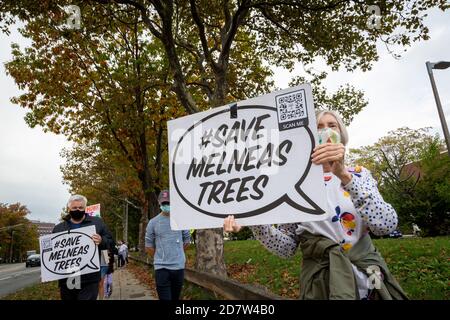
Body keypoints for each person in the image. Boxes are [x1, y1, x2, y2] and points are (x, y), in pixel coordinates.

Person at [224, 110, 408, 300]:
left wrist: (344, 175)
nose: (326, 132)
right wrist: (256, 222)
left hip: (368, 278)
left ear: (342, 135)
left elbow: (386, 225)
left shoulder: (360, 175)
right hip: (321, 284)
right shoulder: (294, 185)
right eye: (318, 127)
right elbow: (286, 248)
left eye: (332, 125)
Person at [52, 195, 114, 300]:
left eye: (80, 208)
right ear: (69, 209)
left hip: (90, 277)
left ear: (85, 208)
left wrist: (101, 240)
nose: (78, 210)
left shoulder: (97, 223)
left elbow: (111, 243)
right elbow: (53, 254)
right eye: (74, 208)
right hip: (69, 277)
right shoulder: (59, 228)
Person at [145, 190, 191, 300]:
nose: (166, 205)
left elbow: (187, 241)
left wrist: (177, 252)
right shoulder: (153, 222)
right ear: (159, 203)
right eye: (164, 203)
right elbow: (148, 246)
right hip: (161, 268)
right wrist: (160, 256)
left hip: (178, 267)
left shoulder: (180, 220)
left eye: (168, 203)